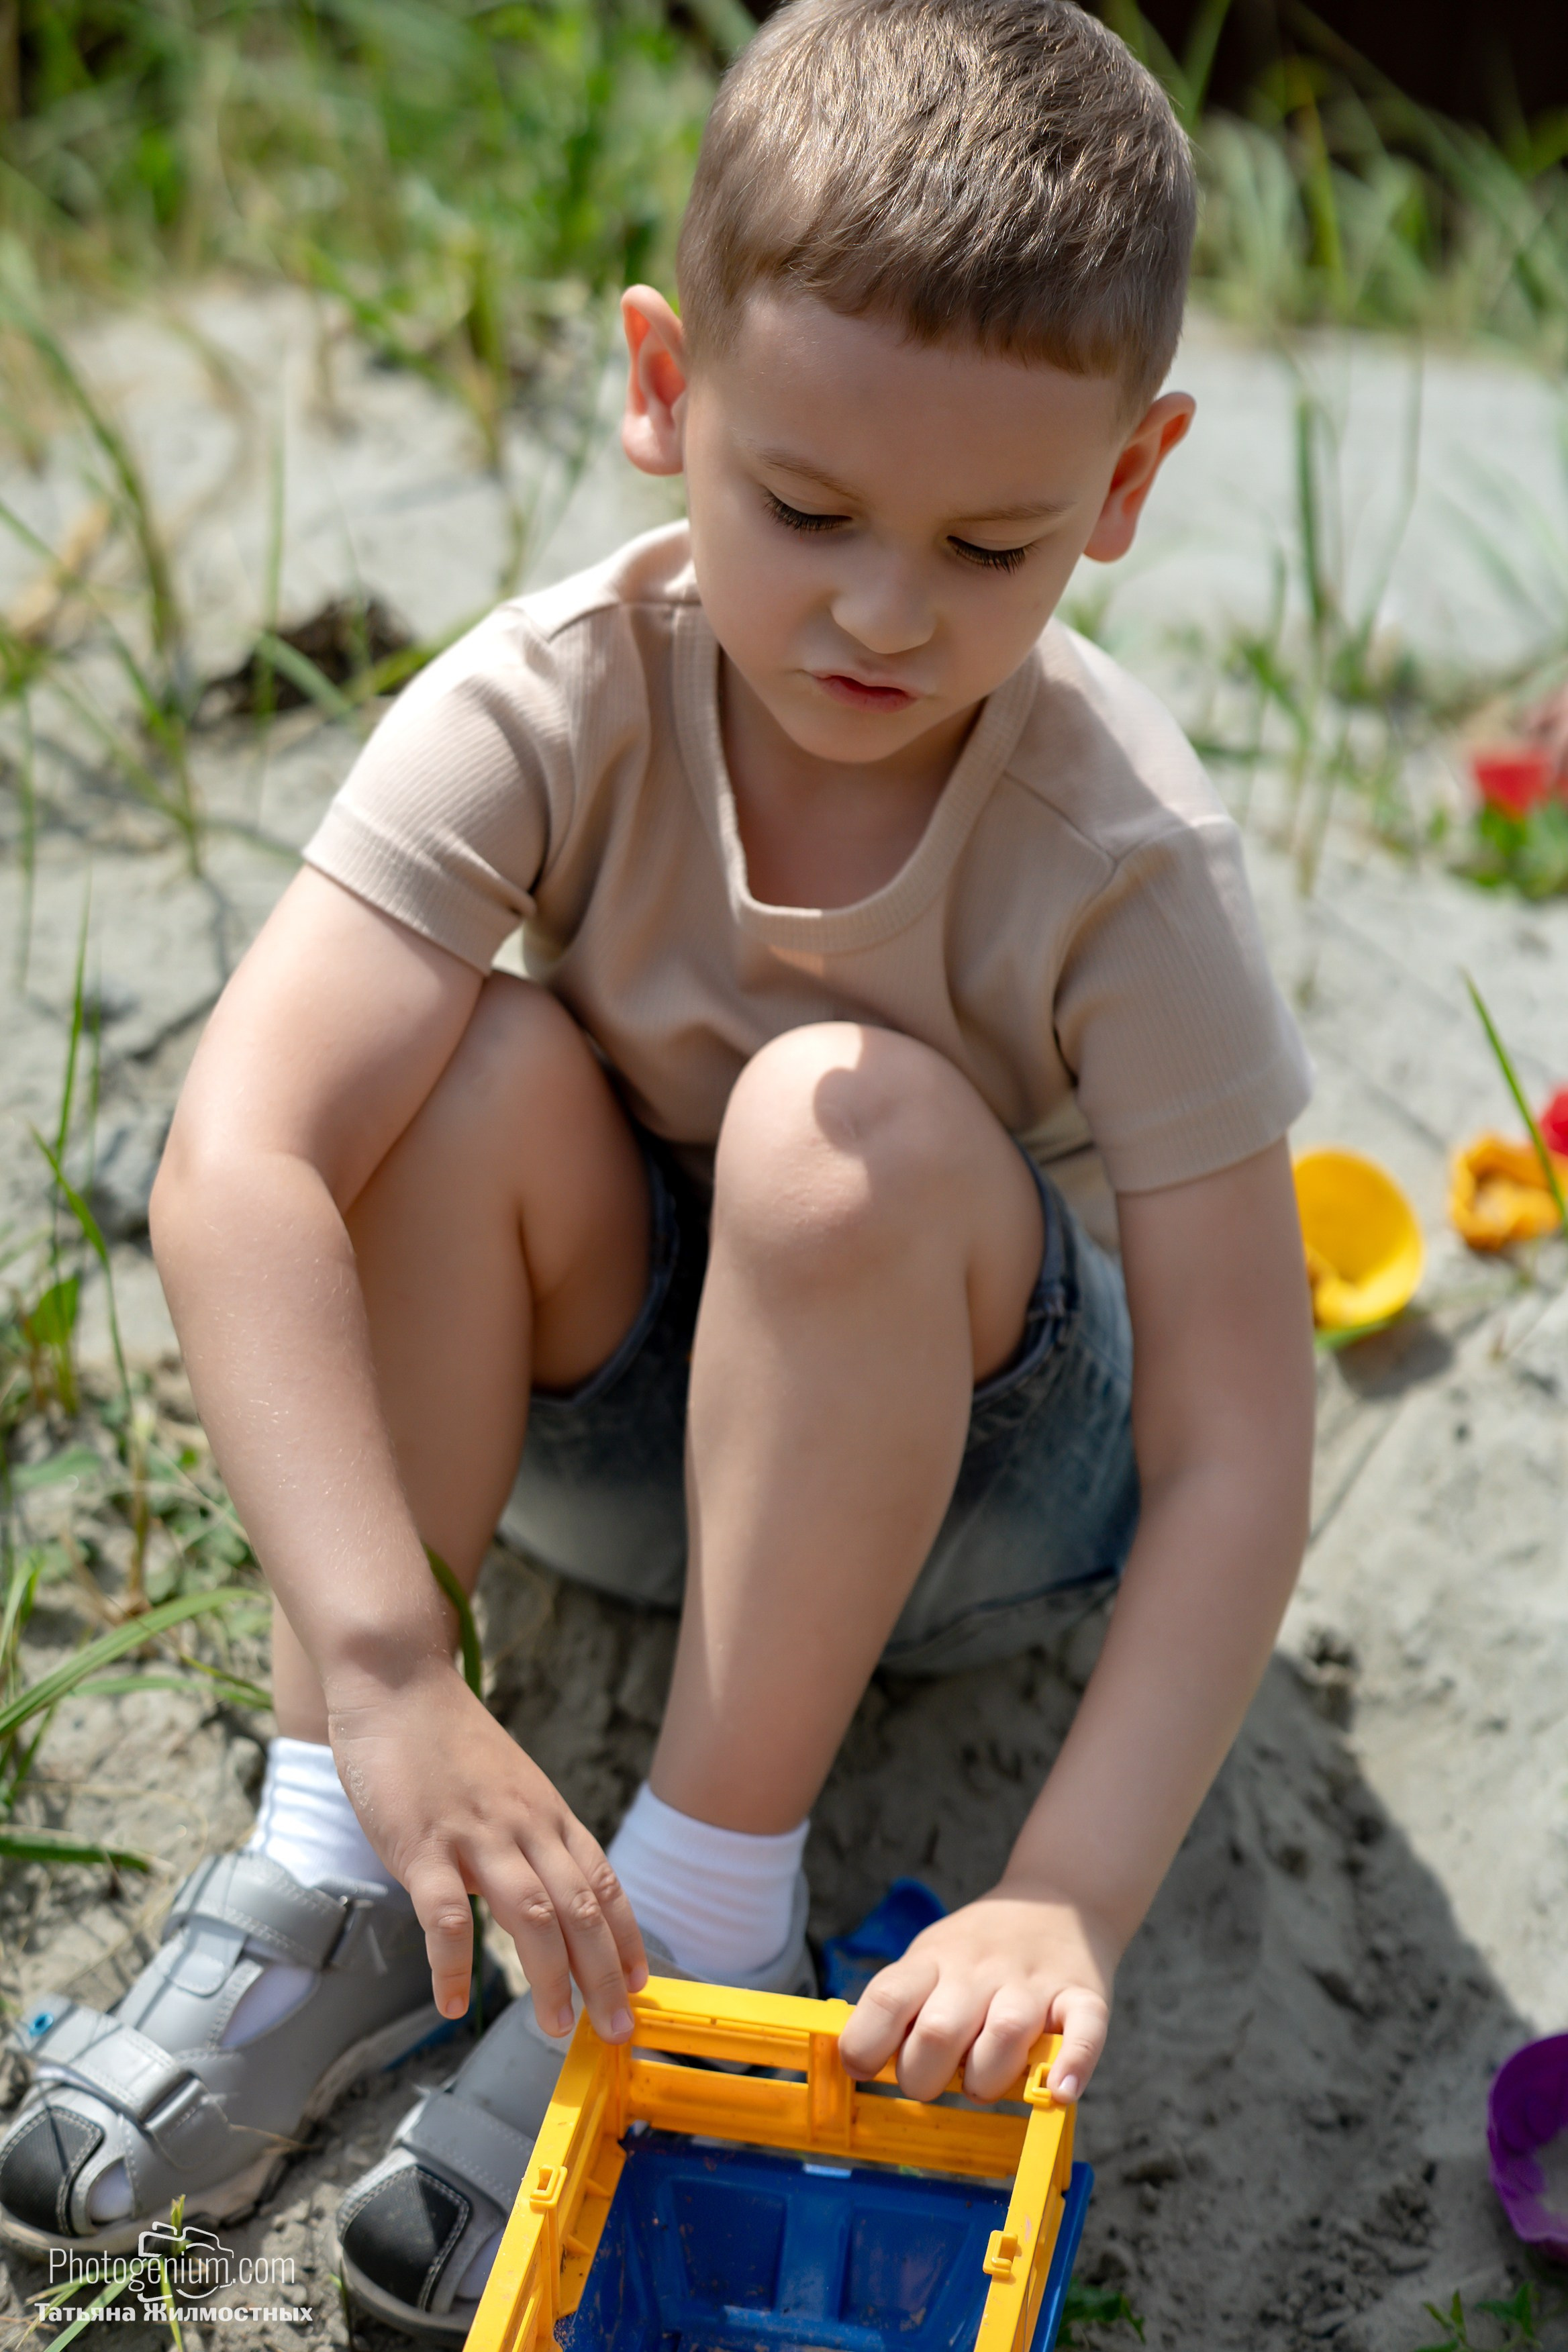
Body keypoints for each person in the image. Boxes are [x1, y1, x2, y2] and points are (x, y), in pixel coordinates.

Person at [0, 0, 1316, 2334]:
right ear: (663, 389)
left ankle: (700, 1907)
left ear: (1125, 486)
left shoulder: (1125, 859)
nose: (885, 612)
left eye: (994, 542)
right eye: (803, 510)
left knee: (838, 1129)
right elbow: (239, 1161)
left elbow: (1234, 1441)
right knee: (461, 1064)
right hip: (621, 1426)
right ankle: (335, 1861)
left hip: (977, 1485)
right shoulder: (558, 693)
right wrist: (393, 1668)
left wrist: (1069, 1897)